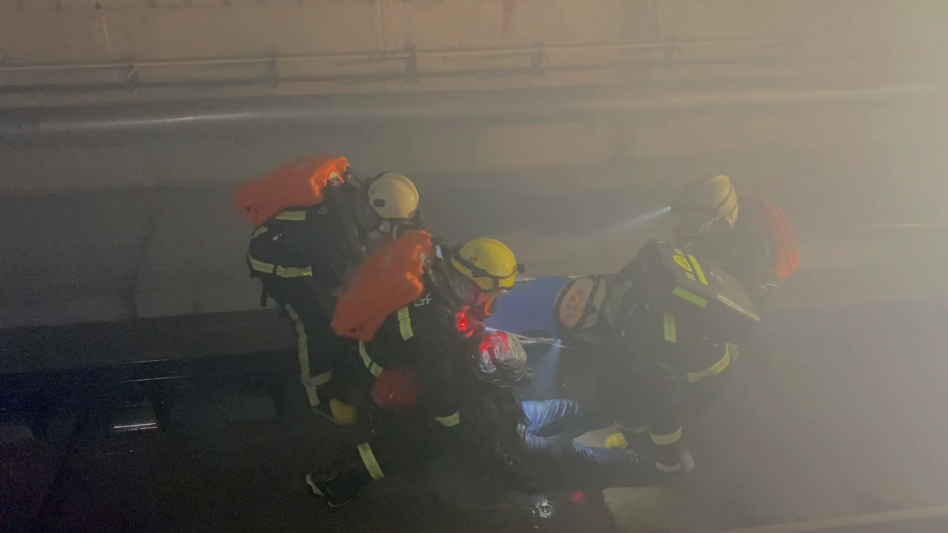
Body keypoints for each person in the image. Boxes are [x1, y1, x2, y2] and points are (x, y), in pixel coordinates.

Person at [305, 237, 531, 507]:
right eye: (493, 293)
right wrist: (458, 425)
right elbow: (440, 389)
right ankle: (339, 478)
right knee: (426, 437)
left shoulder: (436, 271)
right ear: (475, 283)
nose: (493, 300)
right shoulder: (433, 322)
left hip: (378, 352)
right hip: (384, 374)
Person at [241, 158, 424, 426]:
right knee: (314, 325)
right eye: (384, 223)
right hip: (272, 263)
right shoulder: (333, 237)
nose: (382, 230)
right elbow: (340, 284)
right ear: (372, 210)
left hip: (293, 245)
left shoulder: (347, 197)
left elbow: (357, 254)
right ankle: (320, 399)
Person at [553, 240, 757, 475]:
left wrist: (667, 457)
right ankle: (631, 430)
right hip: (692, 356)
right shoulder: (626, 283)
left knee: (646, 392)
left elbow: (664, 398)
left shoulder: (641, 335)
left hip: (705, 380)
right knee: (617, 374)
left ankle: (657, 448)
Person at [671, 174, 799, 303]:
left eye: (693, 225)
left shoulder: (751, 246)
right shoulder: (708, 223)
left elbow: (748, 299)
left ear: (721, 221)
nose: (682, 229)